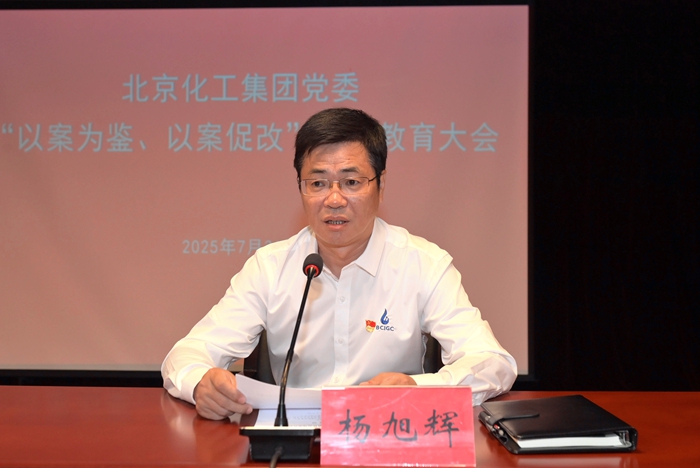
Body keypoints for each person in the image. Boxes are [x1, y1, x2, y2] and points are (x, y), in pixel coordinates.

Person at [162, 108, 517, 420]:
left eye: (351, 182)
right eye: (318, 183)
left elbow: (492, 362)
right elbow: (186, 355)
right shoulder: (270, 268)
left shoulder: (423, 264)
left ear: (380, 185)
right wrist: (201, 384)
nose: (333, 199)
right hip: (299, 445)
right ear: (301, 188)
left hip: (388, 435)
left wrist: (417, 388)